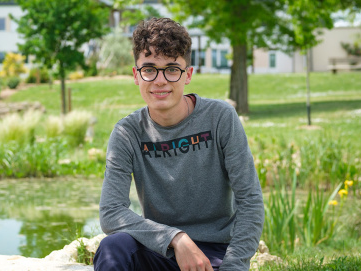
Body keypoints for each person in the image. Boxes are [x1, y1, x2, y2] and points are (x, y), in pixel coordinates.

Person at [94, 17, 264, 271]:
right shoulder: (126, 133)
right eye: (149, 69)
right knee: (113, 248)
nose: (160, 80)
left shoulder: (220, 118)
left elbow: (250, 201)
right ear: (135, 75)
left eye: (172, 69)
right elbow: (111, 211)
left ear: (188, 75)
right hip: (160, 250)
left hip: (214, 255)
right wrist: (175, 238)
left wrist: (234, 266)